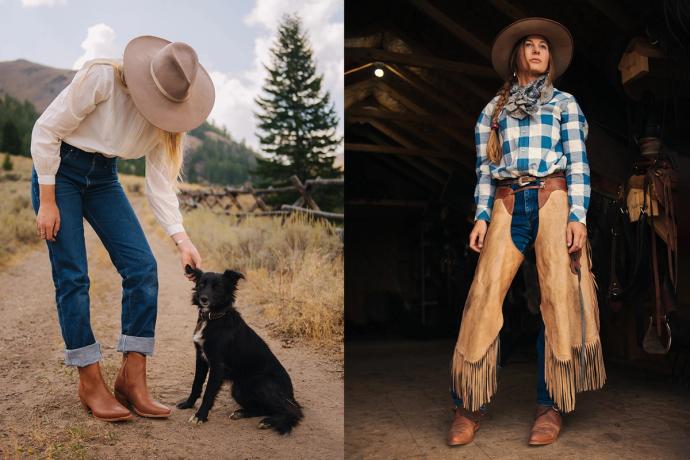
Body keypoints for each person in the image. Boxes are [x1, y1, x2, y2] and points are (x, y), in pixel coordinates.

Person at [30, 35, 214, 422]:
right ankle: (90, 381)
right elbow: (45, 130)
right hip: (60, 172)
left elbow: (161, 183)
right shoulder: (103, 78)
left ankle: (133, 379)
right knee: (73, 277)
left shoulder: (171, 116)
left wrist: (182, 240)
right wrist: (47, 201)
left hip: (104, 180)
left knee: (143, 268)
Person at [446, 18, 606, 447]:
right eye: (530, 45)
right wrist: (481, 216)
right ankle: (468, 405)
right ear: (517, 55)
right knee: (483, 298)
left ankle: (549, 406)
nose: (538, 50)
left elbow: (578, 163)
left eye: (544, 46)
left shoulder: (565, 104)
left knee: (557, 299)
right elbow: (484, 169)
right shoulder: (492, 112)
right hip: (506, 203)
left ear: (549, 58)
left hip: (554, 200)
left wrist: (579, 216)